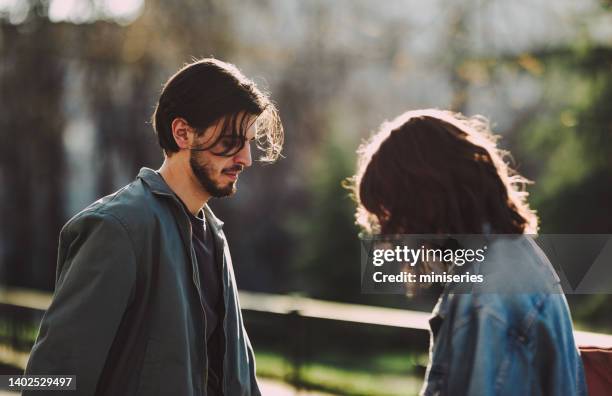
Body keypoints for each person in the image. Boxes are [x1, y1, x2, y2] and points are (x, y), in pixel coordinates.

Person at [25, 58, 283, 396]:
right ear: (182, 133)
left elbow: (238, 377)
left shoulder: (215, 236)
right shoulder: (118, 229)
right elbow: (51, 377)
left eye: (248, 142)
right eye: (232, 140)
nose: (246, 158)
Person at [349, 109, 586, 395]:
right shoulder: (516, 254)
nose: (391, 233)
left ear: (426, 198)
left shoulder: (484, 295)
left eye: (393, 213)